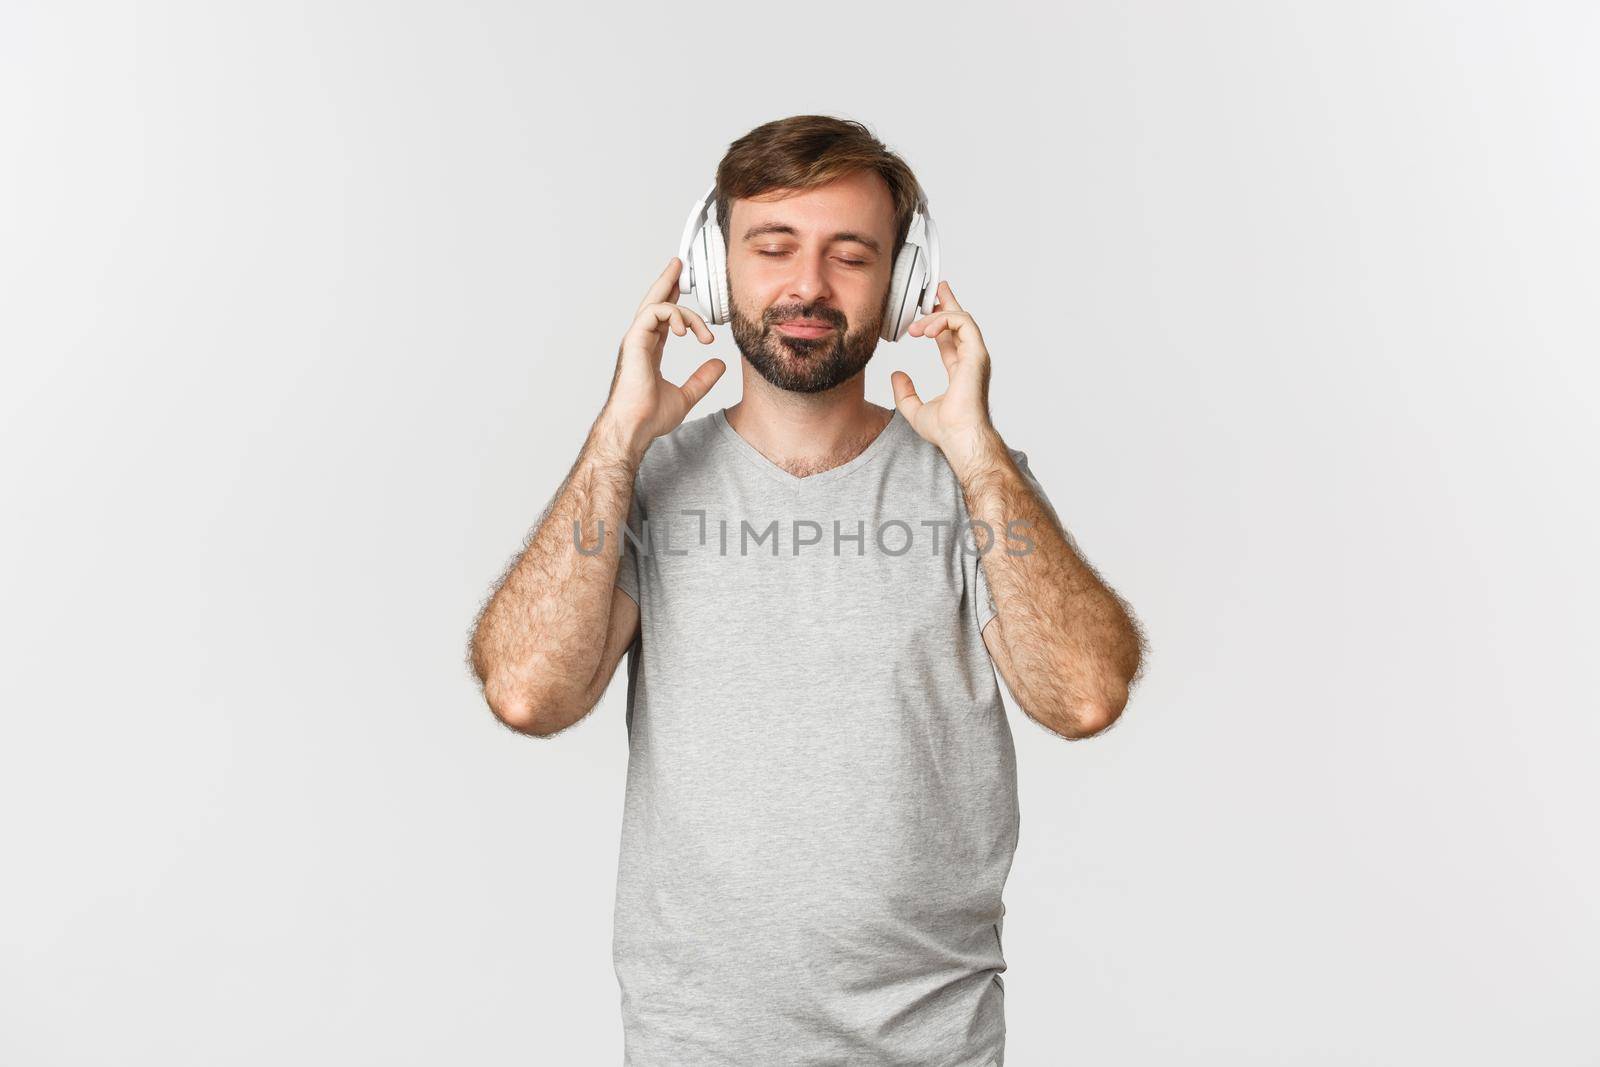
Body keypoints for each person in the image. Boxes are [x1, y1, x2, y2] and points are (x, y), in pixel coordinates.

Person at [468, 115, 1146, 1067]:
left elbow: (1083, 695)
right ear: (713, 268)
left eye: (851, 255)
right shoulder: (639, 482)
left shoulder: (975, 483)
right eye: (773, 248)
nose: (808, 288)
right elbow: (528, 693)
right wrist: (617, 439)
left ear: (904, 281)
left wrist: (983, 455)